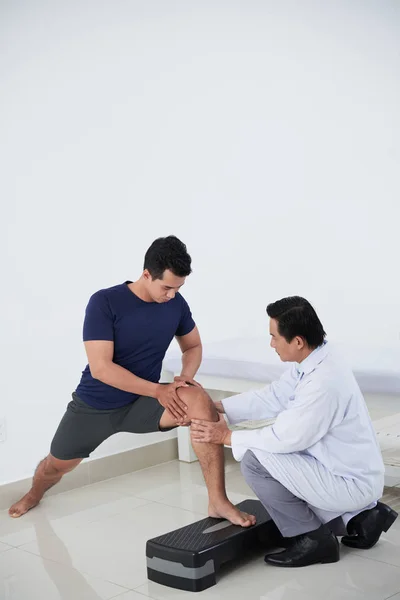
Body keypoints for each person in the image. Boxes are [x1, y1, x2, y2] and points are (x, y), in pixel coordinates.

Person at [9, 235, 255, 528]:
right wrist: (159, 390)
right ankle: (34, 493)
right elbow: (101, 369)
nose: (172, 295)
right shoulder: (105, 302)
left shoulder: (175, 304)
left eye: (178, 288)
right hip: (95, 406)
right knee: (55, 466)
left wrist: (184, 380)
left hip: (142, 404)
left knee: (199, 401)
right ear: (146, 274)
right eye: (166, 287)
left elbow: (193, 346)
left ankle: (218, 500)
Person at [190, 296, 398, 567]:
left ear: (297, 341)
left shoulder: (324, 382)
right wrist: (218, 407)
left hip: (350, 482)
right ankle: (364, 519)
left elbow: (286, 437)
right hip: (351, 472)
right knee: (283, 461)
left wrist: (225, 436)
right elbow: (274, 397)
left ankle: (312, 539)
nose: (271, 344)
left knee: (255, 461)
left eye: (274, 337)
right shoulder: (318, 356)